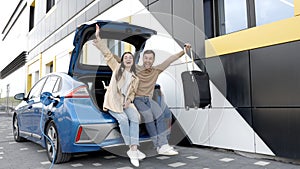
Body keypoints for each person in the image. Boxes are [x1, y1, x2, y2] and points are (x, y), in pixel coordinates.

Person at [93, 24, 145, 167]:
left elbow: (133, 92)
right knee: (123, 120)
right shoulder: (117, 68)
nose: (128, 58)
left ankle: (133, 149)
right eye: (125, 57)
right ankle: (132, 149)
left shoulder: (136, 77)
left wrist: (129, 101)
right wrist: (98, 38)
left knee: (134, 117)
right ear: (122, 61)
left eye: (130, 57)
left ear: (133, 61)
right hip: (113, 102)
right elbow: (108, 54)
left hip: (125, 103)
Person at [133, 43, 191, 155]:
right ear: (142, 59)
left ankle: (163, 145)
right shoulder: (136, 68)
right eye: (146, 58)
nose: (147, 61)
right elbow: (120, 63)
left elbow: (170, 60)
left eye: (150, 59)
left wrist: (184, 51)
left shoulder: (156, 70)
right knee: (149, 115)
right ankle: (157, 145)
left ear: (153, 60)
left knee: (160, 114)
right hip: (137, 99)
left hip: (148, 99)